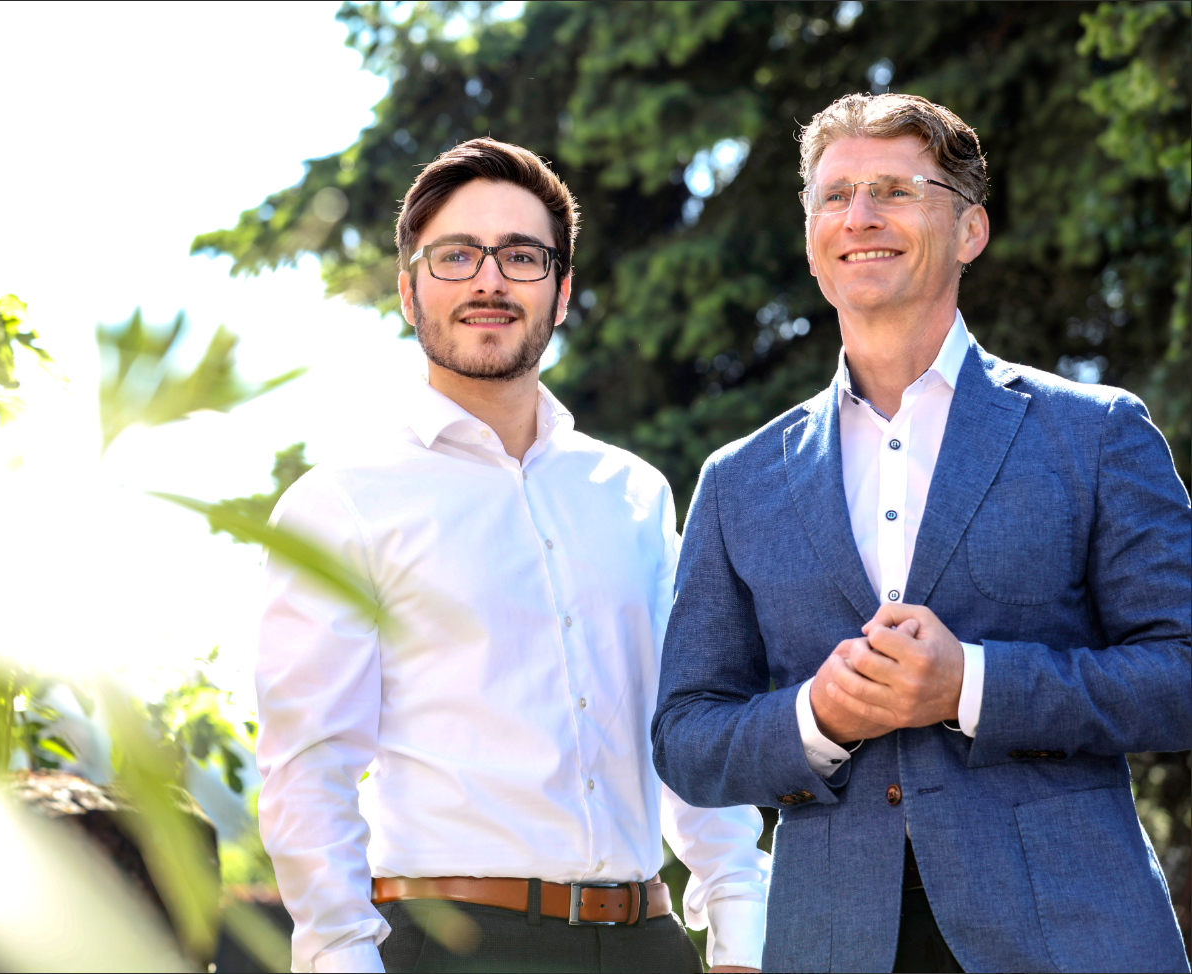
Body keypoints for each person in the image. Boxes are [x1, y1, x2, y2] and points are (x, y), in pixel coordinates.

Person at [652, 92, 1191, 974]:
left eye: (896, 190)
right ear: (812, 243)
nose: (860, 216)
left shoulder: (1095, 434)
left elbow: (1181, 672)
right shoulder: (737, 481)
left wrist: (970, 684)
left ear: (969, 229)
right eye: (834, 196)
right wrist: (815, 715)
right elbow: (685, 739)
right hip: (831, 943)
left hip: (1071, 939)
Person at [255, 138, 768, 974]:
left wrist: (741, 929)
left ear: (560, 293)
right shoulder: (341, 504)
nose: (489, 280)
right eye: (456, 255)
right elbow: (309, 771)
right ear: (409, 289)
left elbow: (688, 720)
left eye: (521, 256)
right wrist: (341, 957)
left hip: (649, 943)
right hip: (452, 947)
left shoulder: (634, 494)